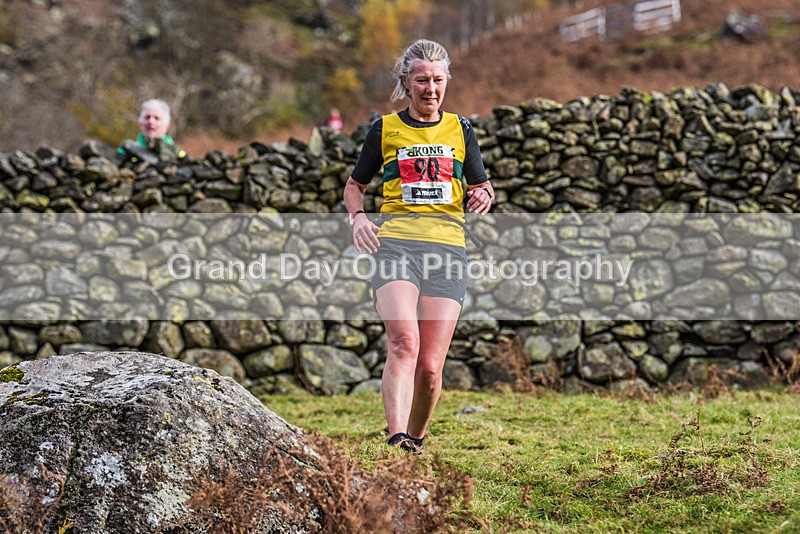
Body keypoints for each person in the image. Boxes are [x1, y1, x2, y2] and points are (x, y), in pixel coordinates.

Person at [343, 39, 494, 453]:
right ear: (406, 84)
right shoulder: (386, 129)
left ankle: (416, 440)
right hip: (395, 247)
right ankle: (396, 440)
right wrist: (358, 219)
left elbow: (481, 187)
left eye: (438, 80)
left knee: (429, 367)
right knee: (404, 343)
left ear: (447, 82)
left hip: (447, 251)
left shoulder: (462, 129)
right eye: (422, 80)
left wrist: (483, 195)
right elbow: (355, 186)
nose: (431, 88)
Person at [117, 99, 187, 164]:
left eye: (157, 118)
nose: (151, 121)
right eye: (147, 117)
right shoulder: (126, 149)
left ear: (166, 127)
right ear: (140, 124)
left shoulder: (179, 154)